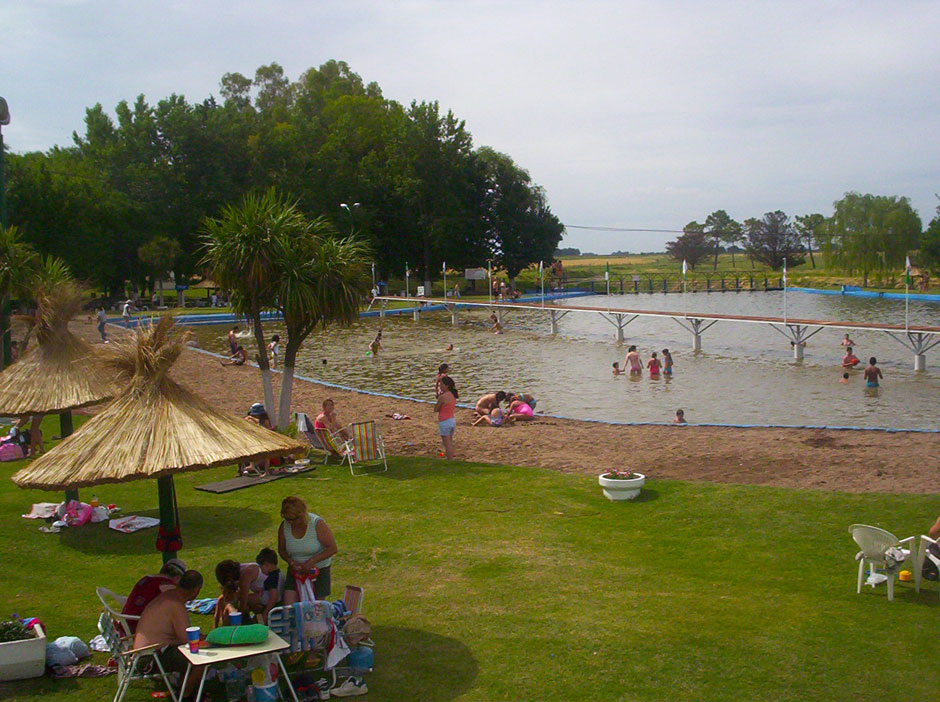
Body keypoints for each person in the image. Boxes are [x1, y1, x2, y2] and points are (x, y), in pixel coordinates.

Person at [134, 570, 205, 698]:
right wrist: (211, 639)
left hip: (145, 653)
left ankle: (184, 688)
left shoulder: (169, 596)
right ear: (196, 590)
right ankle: (184, 695)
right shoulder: (175, 604)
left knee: (190, 653)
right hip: (149, 658)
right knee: (201, 658)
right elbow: (187, 639)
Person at [278, 496, 338, 603]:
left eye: (293, 519)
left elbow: (332, 548)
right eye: (287, 519)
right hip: (295, 572)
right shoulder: (284, 526)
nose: (290, 522)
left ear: (302, 515)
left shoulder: (316, 523)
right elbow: (282, 550)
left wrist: (312, 561)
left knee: (316, 609)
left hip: (318, 571)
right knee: (289, 606)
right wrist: (290, 561)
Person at [214, 550, 282, 626]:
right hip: (265, 594)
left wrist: (238, 614)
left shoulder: (246, 575)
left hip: (271, 597)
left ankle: (244, 623)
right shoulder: (244, 568)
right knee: (234, 601)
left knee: (237, 603)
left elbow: (244, 600)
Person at [435, 375, 458, 459]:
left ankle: (449, 459)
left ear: (446, 386)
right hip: (452, 420)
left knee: (447, 444)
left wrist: (439, 399)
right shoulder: (452, 395)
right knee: (450, 442)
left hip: (444, 422)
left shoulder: (443, 397)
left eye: (441, 385)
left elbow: (436, 409)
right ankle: (449, 456)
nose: (440, 386)